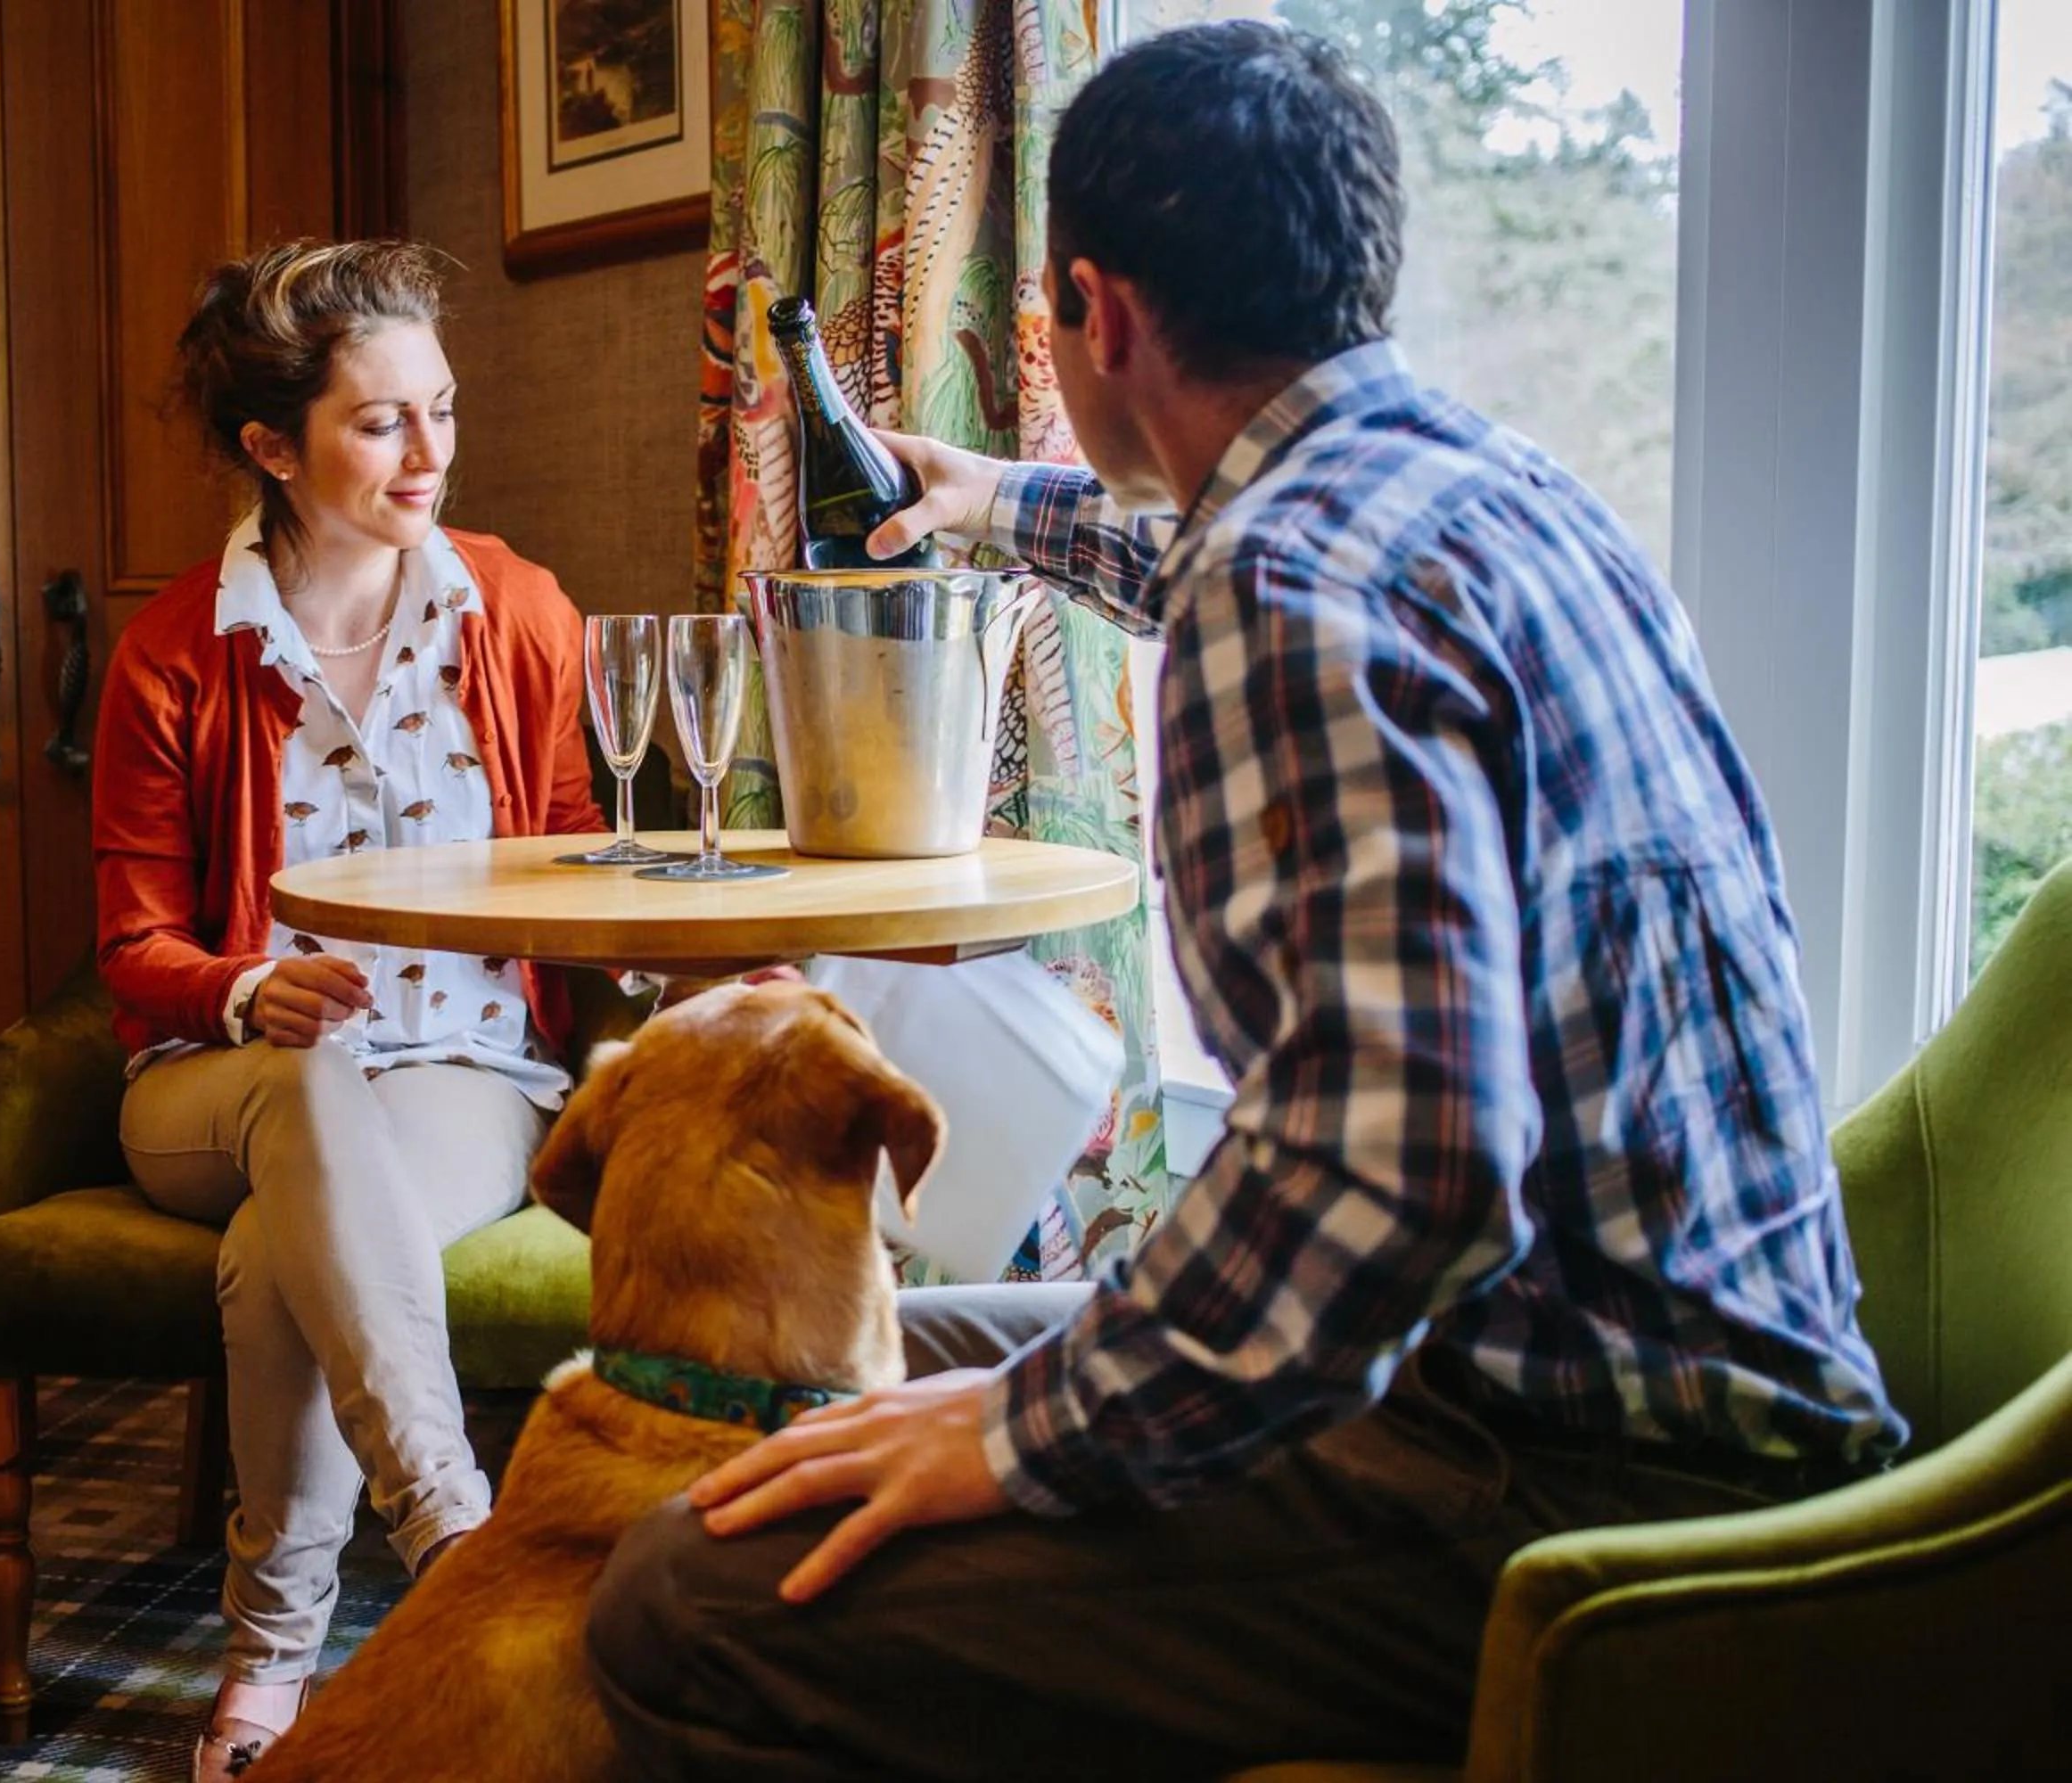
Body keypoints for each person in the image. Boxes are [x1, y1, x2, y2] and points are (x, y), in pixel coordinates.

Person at [584, 22, 1905, 1779]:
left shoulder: (1282, 589)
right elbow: (1223, 552)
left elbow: (1407, 1172)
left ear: (1098, 316)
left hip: (1586, 1481)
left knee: (686, 1597)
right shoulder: (1493, 492)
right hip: (1681, 1387)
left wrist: (1027, 1443)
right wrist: (1001, 507)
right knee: (865, 1389)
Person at [88, 239, 605, 1782]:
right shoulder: (176, 653)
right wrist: (250, 985)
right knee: (301, 1075)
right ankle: (454, 1529)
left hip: (462, 1067)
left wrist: (696, 958)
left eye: (441, 409)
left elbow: (577, 850)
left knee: (278, 1260)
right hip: (213, 1082)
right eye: (383, 423)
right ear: (273, 447)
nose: (431, 452)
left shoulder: (512, 611)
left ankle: (267, 1667)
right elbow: (132, 945)